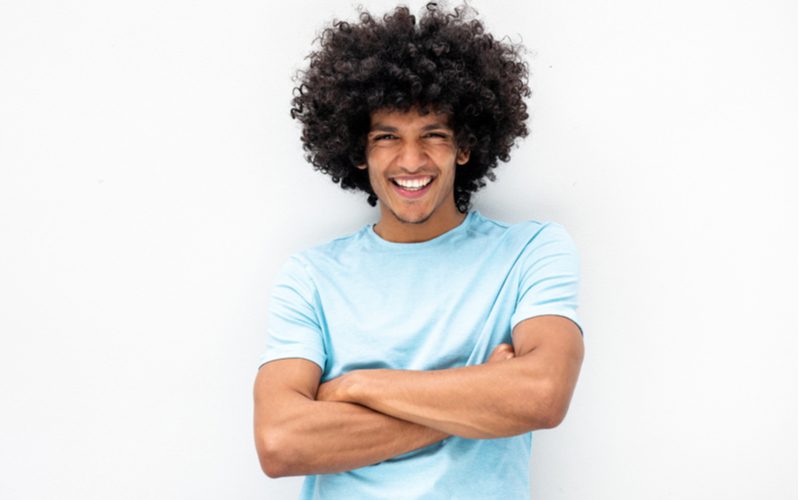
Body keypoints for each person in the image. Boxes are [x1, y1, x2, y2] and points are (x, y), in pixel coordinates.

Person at [252, 4, 585, 499]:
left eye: (433, 134)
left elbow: (541, 394)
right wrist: (485, 396)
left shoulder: (531, 251)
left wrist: (357, 386)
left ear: (465, 146)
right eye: (387, 137)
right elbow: (280, 442)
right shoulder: (311, 276)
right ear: (360, 152)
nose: (411, 160)